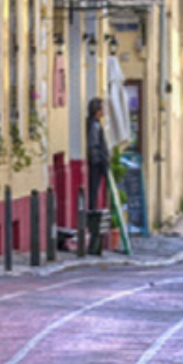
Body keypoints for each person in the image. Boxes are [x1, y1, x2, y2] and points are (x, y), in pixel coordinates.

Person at [85, 97, 109, 256]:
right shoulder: (94, 125)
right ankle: (93, 234)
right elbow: (94, 145)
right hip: (96, 165)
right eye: (102, 108)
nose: (104, 111)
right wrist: (99, 162)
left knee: (94, 193)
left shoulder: (95, 124)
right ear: (97, 110)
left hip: (97, 164)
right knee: (93, 194)